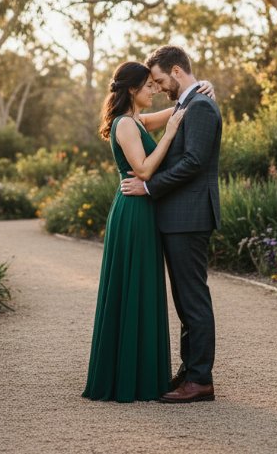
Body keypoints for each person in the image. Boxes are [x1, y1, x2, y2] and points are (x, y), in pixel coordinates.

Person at [82, 61, 215, 402]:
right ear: (131, 90)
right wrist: (169, 135)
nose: (154, 90)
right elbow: (141, 170)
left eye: (157, 84)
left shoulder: (136, 120)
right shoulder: (126, 124)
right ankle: (133, 375)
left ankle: (148, 372)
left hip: (143, 211)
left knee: (143, 288)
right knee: (135, 287)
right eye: (148, 86)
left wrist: (201, 87)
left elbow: (179, 108)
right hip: (134, 206)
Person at [120, 46, 223, 404]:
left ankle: (201, 380)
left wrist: (148, 186)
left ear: (177, 71)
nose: (160, 87)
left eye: (161, 80)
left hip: (190, 217)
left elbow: (194, 161)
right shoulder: (187, 104)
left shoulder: (202, 107)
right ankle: (189, 371)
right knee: (184, 300)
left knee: (193, 299)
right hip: (178, 217)